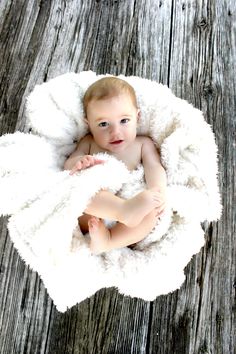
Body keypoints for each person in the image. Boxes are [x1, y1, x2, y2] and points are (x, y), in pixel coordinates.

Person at [64, 77, 167, 254]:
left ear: (138, 117)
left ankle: (109, 241)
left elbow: (154, 166)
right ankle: (122, 211)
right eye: (103, 124)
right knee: (79, 191)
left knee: (152, 212)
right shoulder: (88, 142)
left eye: (124, 121)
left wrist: (158, 190)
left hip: (132, 213)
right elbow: (69, 168)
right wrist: (79, 162)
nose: (115, 132)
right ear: (89, 124)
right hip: (95, 213)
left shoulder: (143, 144)